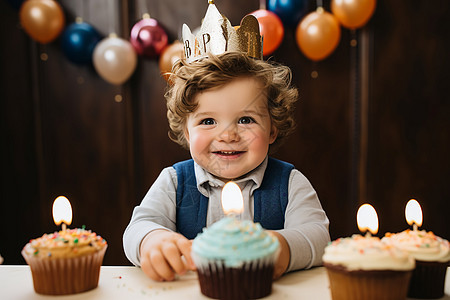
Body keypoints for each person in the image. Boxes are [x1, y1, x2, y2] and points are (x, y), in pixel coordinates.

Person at [123, 51, 330, 282]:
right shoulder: (174, 181)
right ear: (187, 132)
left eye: (246, 120)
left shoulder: (289, 183)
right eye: (208, 121)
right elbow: (138, 227)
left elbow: (319, 236)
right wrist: (152, 240)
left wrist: (282, 249)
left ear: (272, 129)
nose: (228, 135)